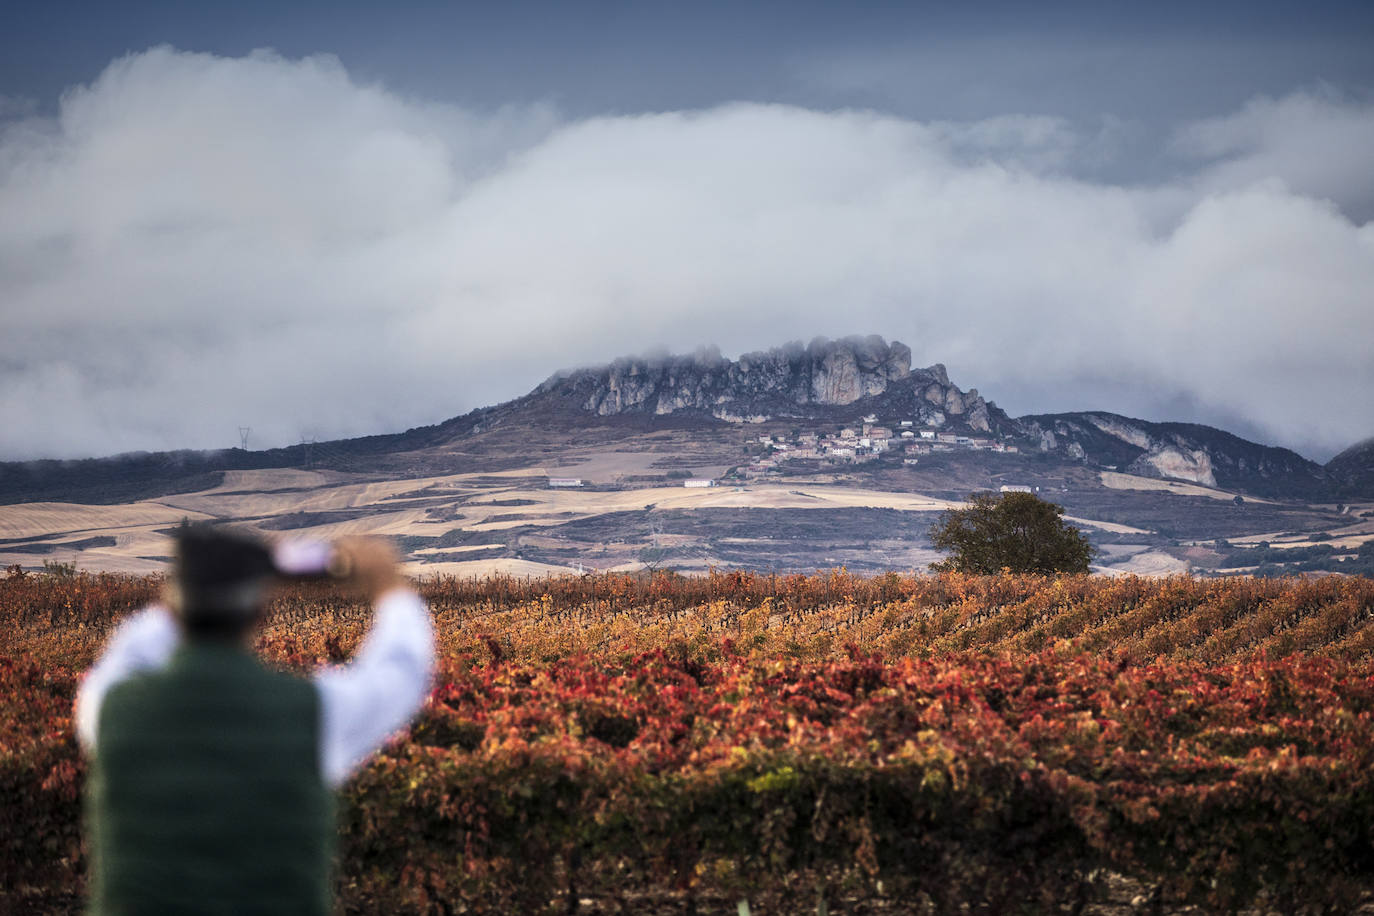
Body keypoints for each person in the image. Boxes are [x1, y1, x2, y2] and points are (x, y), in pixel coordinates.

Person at [74, 526, 434, 914]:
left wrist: (204, 583)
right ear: (262, 613)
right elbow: (402, 669)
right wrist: (388, 587)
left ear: (176, 606)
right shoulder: (313, 713)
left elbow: (132, 645)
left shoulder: (107, 709)